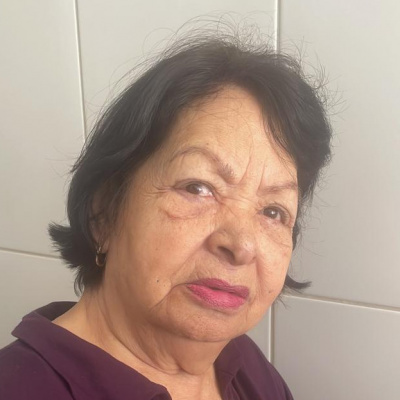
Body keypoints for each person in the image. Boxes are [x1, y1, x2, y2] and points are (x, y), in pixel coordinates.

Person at [0, 29, 331, 400]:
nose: (242, 245)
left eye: (273, 211)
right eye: (198, 187)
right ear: (103, 214)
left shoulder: (245, 367)